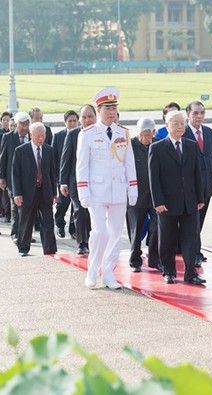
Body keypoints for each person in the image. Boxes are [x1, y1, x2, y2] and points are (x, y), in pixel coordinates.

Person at [76, 88, 137, 290]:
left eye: (114, 108)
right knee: (100, 232)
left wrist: (133, 188)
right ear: (99, 110)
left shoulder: (123, 133)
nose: (112, 112)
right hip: (97, 191)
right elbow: (82, 166)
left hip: (118, 190)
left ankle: (108, 272)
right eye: (107, 109)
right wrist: (83, 192)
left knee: (115, 234)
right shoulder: (88, 134)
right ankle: (93, 271)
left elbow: (130, 163)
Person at [149, 111, 205, 285]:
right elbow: (154, 178)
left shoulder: (191, 145)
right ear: (167, 126)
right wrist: (158, 202)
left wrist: (200, 197)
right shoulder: (157, 148)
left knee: (190, 238)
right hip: (167, 203)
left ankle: (190, 273)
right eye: (176, 124)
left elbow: (197, 174)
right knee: (167, 239)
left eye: (183, 123)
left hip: (189, 202)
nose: (180, 127)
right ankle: (169, 271)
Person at [12, 122, 58, 256]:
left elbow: (52, 173)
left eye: (43, 135)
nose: (40, 139)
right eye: (37, 136)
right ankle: (23, 247)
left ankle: (49, 249)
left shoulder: (49, 150)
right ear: (31, 135)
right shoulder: (21, 151)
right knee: (26, 221)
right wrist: (17, 193)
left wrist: (54, 193)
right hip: (27, 192)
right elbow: (15, 174)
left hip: (45, 191)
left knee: (48, 220)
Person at [182, 100, 212, 267]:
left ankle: (194, 250)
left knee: (199, 222)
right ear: (188, 115)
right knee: (192, 222)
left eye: (202, 113)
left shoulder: (210, 134)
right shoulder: (183, 133)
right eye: (195, 113)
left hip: (207, 186)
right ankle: (194, 252)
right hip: (190, 188)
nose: (199, 116)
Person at [59, 104, 96, 255]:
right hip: (77, 182)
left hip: (97, 182)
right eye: (84, 117)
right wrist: (63, 182)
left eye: (90, 117)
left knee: (93, 212)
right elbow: (65, 159)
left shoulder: (101, 133)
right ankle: (82, 242)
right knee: (80, 211)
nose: (87, 120)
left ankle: (94, 240)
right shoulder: (74, 134)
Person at [126, 117, 161, 273]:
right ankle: (135, 259)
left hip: (155, 195)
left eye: (148, 135)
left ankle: (154, 258)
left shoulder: (159, 144)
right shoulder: (130, 145)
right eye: (142, 135)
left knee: (156, 227)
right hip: (136, 195)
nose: (145, 138)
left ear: (153, 132)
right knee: (136, 229)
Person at [0, 112, 31, 243]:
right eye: (22, 124)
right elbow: (3, 158)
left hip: (29, 178)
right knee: (15, 207)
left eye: (27, 124)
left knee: (27, 208)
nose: (24, 127)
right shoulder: (8, 137)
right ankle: (16, 234)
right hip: (12, 178)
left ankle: (26, 234)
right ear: (16, 125)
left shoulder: (32, 136)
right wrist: (1, 177)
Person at [53, 110, 79, 239]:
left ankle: (74, 229)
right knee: (63, 203)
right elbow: (54, 157)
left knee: (76, 205)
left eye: (75, 121)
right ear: (65, 122)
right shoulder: (59, 136)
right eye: (70, 121)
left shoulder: (81, 134)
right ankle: (60, 224)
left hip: (76, 176)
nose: (72, 123)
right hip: (63, 175)